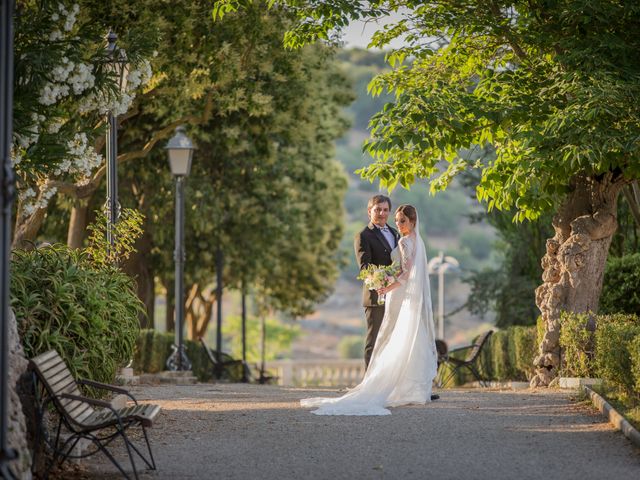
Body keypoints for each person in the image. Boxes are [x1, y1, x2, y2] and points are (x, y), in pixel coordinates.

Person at [301, 204, 439, 415]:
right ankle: (408, 387)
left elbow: (404, 274)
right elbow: (371, 266)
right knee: (399, 338)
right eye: (397, 221)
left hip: (398, 293)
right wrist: (379, 280)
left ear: (412, 222)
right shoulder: (413, 240)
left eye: (402, 220)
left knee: (396, 338)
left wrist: (387, 285)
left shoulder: (402, 239)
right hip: (405, 297)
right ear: (370, 211)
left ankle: (396, 386)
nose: (398, 224)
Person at [353, 194, 399, 370]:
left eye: (385, 210)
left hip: (395, 295)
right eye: (377, 209)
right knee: (374, 341)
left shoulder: (395, 233)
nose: (382, 213)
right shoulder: (363, 235)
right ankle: (368, 384)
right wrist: (384, 279)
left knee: (392, 340)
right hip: (375, 297)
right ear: (369, 212)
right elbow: (365, 268)